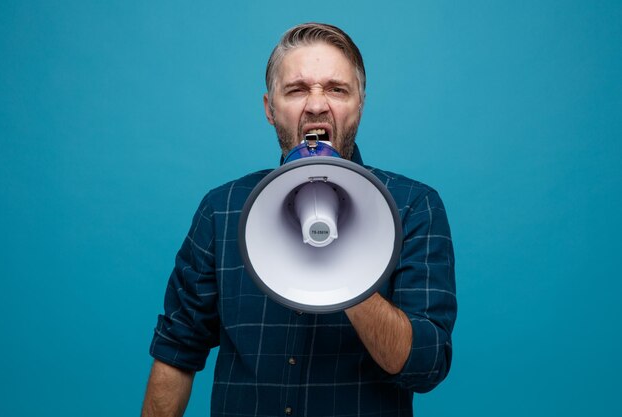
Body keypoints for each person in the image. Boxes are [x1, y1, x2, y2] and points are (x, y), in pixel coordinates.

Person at [141, 22, 457, 417]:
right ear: (270, 109)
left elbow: (424, 367)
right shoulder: (222, 210)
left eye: (337, 89)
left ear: (360, 104)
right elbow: (176, 352)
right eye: (296, 90)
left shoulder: (413, 206)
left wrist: (342, 268)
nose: (317, 105)